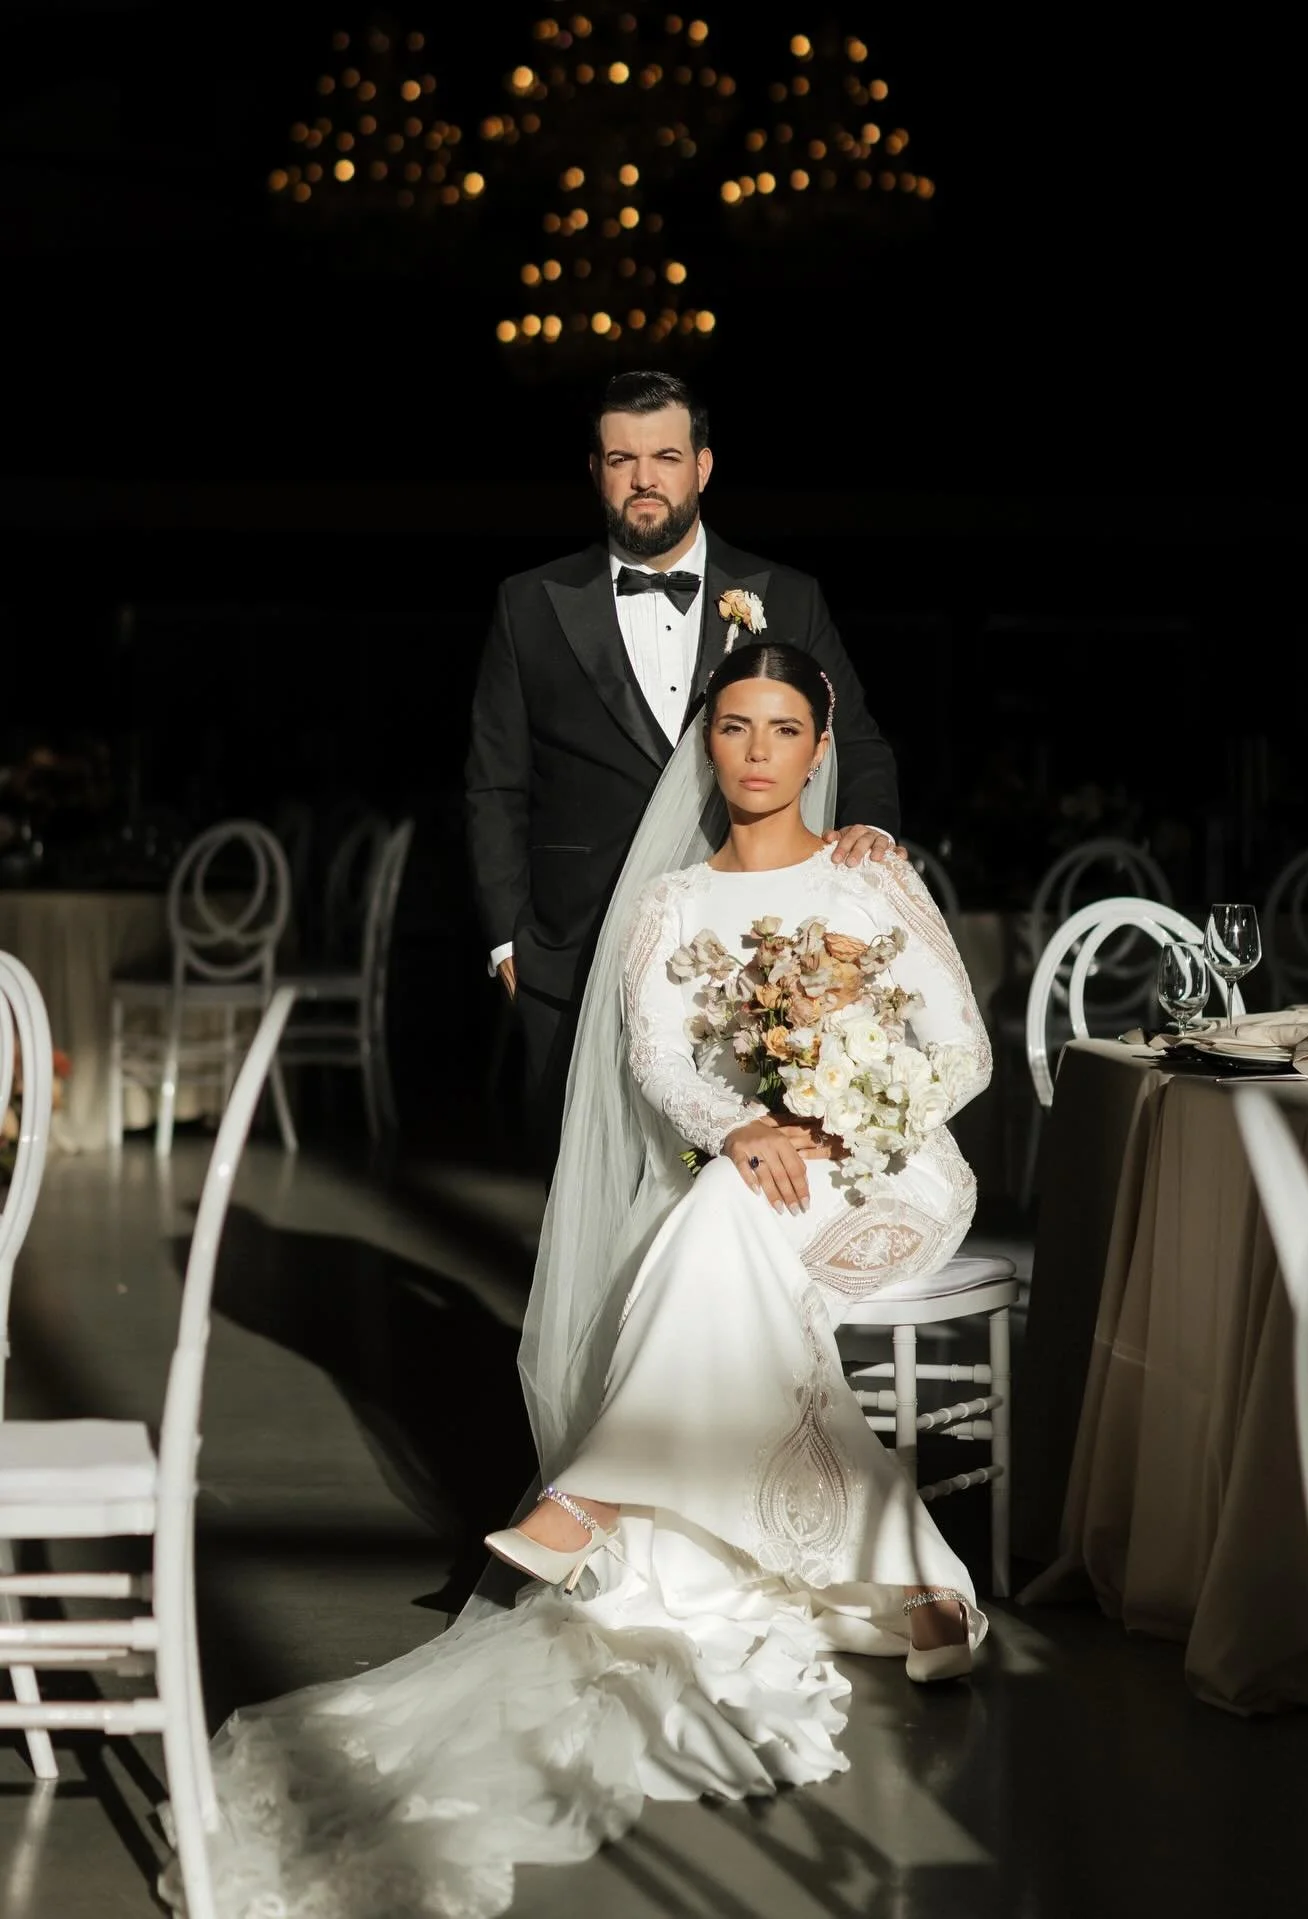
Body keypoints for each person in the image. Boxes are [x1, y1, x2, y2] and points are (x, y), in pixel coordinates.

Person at [163, 643, 992, 1919]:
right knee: (723, 1216)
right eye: (734, 724)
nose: (759, 749)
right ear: (706, 744)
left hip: (892, 1174)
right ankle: (919, 1578)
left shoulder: (874, 873)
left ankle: (600, 1493)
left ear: (820, 749)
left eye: (784, 727)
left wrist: (848, 1103)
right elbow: (662, 1060)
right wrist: (745, 1124)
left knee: (721, 1229)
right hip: (752, 1171)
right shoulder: (667, 904)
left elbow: (967, 1053)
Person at [465, 369, 904, 1174]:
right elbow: (496, 782)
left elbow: (860, 742)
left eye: (664, 456)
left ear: (702, 466)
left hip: (748, 954)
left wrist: (868, 831)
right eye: (621, 459)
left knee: (731, 1186)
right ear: (595, 471)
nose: (643, 479)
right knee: (590, 1187)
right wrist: (505, 941)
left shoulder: (787, 595)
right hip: (574, 948)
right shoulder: (530, 604)